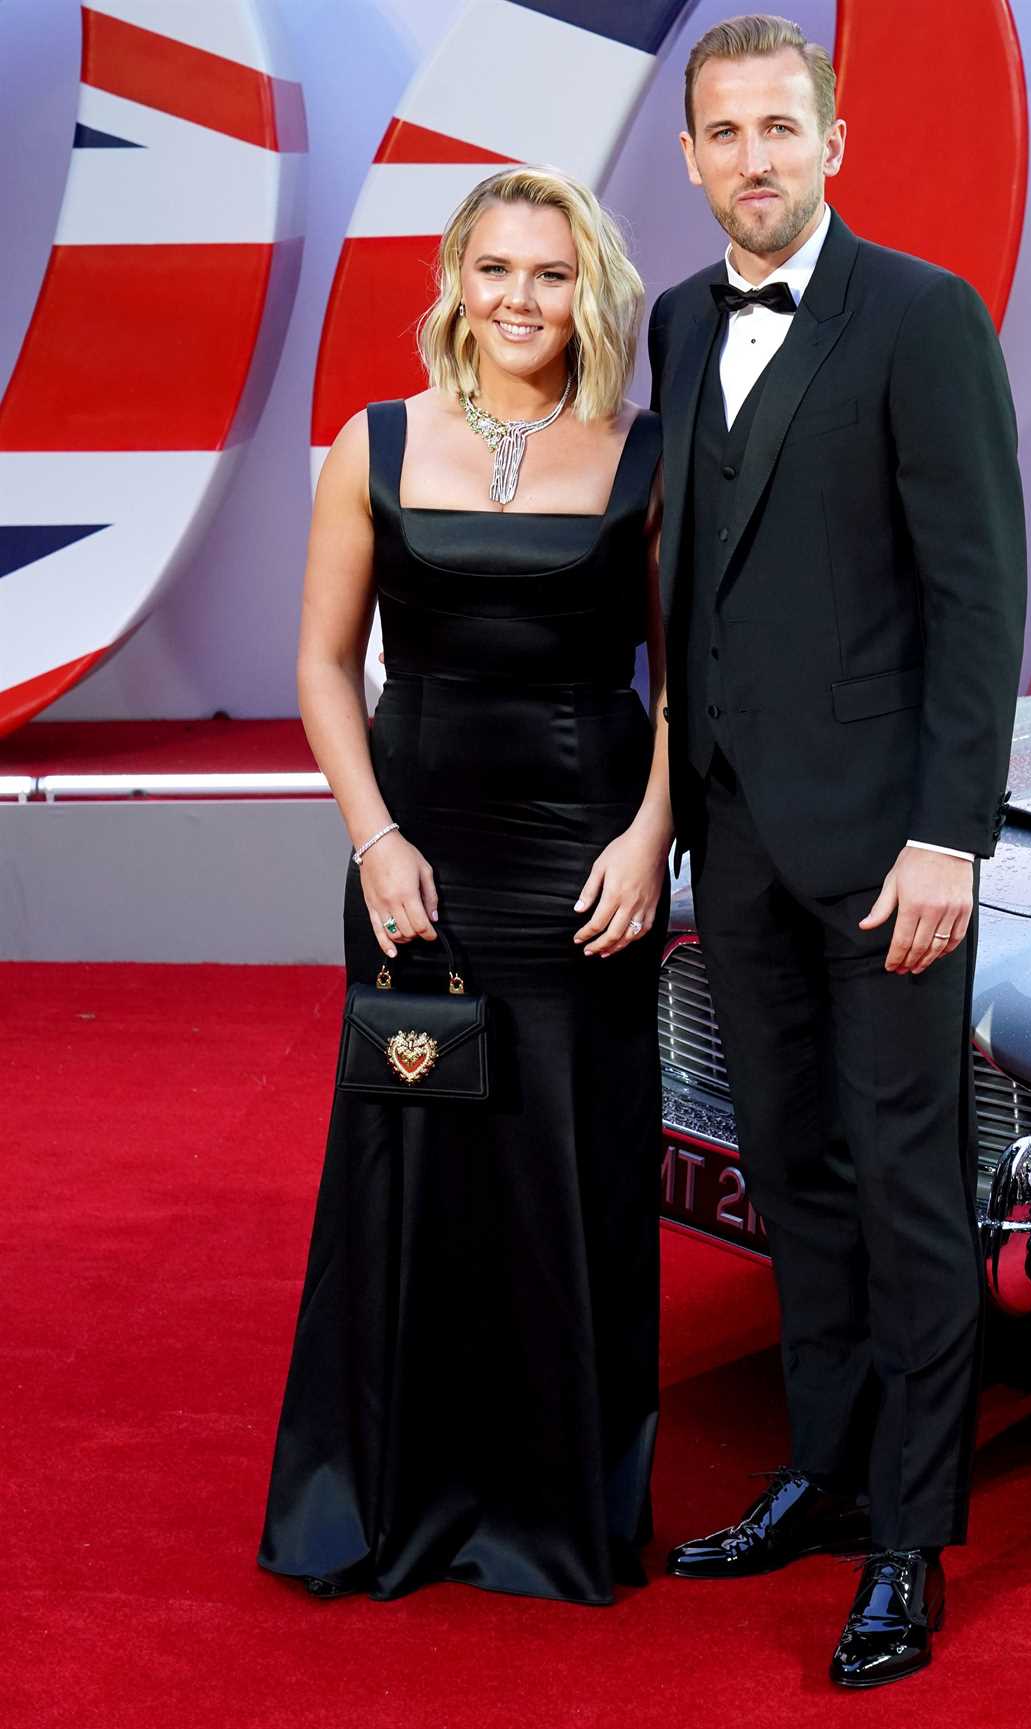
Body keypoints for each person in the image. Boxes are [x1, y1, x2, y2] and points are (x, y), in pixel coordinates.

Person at [650, 16, 1026, 1687]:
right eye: (723, 134)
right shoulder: (672, 325)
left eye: (779, 130)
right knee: (789, 1166)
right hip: (731, 842)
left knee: (908, 1188)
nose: (753, 160)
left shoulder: (925, 316)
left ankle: (906, 1539)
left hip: (892, 854)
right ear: (689, 158)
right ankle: (819, 1467)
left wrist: (953, 830)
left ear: (833, 142)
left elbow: (977, 595)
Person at [258, 166, 673, 1608]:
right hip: (417, 852)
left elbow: (687, 683)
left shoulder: (643, 451)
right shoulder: (373, 443)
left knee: (575, 1166)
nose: (520, 299)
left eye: (550, 275)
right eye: (496, 269)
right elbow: (321, 663)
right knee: (411, 1160)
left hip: (587, 856)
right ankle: (386, 1497)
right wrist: (375, 839)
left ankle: (557, 1510)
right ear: (454, 276)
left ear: (589, 289)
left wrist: (649, 835)